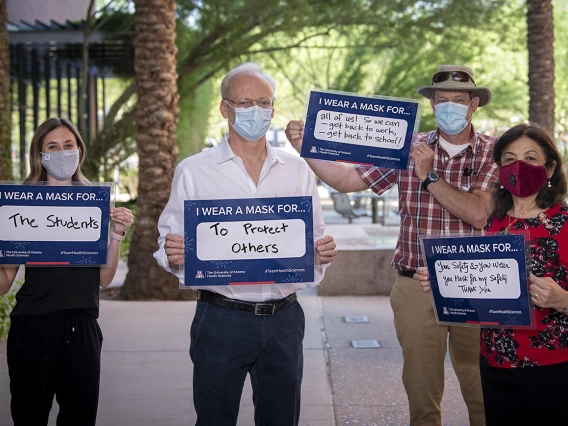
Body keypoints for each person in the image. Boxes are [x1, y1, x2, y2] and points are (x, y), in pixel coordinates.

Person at [286, 65, 497, 425]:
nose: (449, 107)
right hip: (415, 282)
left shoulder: (493, 152)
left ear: (473, 104)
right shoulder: (407, 146)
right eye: (441, 100)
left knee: (482, 388)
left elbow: (478, 213)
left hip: (475, 283)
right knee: (421, 391)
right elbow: (349, 179)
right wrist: (305, 146)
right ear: (431, 104)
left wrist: (429, 176)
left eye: (458, 101)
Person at [153, 62, 337, 426]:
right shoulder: (194, 170)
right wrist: (173, 255)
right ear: (225, 108)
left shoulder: (297, 169)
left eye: (264, 102)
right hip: (221, 320)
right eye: (246, 103)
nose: (257, 111)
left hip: (285, 319)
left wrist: (320, 253)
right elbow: (168, 243)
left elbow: (313, 239)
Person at [416, 123, 568, 424]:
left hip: (552, 367)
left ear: (549, 168)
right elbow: (485, 289)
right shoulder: (493, 224)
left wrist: (562, 299)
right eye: (509, 159)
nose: (519, 166)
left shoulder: (564, 222)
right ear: (499, 169)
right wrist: (443, 282)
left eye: (530, 158)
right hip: (494, 363)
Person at [0, 117, 134, 426]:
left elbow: (103, 278)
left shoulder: (96, 204)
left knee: (80, 419)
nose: (62, 152)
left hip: (82, 329)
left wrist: (116, 234)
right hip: (31, 328)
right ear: (41, 155)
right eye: (53, 146)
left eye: (68, 145)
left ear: (79, 150)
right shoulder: (22, 204)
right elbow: (5, 281)